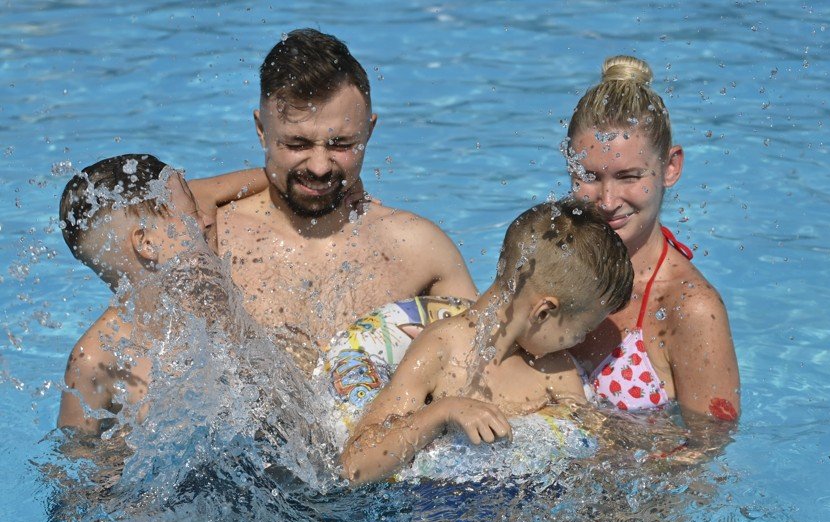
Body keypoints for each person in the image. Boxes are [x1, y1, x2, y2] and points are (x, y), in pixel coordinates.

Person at [215, 28, 477, 369]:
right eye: (297, 144)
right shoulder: (211, 242)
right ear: (262, 130)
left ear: (369, 131)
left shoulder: (418, 248)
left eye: (341, 145)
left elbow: (489, 370)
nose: (320, 167)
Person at [340, 200, 634, 484]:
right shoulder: (440, 350)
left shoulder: (555, 370)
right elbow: (356, 466)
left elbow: (593, 448)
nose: (581, 340)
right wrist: (443, 411)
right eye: (583, 329)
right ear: (543, 312)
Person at [564, 55, 741, 424]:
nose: (607, 201)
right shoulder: (549, 262)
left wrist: (612, 438)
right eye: (590, 177)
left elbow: (709, 445)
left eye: (629, 176)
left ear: (670, 167)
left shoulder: (689, 308)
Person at [57, 154, 259, 434]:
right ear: (147, 243)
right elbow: (77, 450)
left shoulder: (208, 299)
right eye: (192, 213)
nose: (206, 221)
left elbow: (272, 178)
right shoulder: (94, 358)